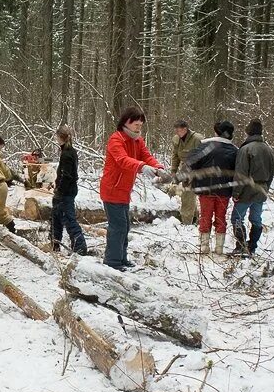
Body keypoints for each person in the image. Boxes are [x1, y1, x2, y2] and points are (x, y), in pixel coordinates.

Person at [100, 107, 166, 271]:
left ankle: (121, 258)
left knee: (125, 226)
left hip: (124, 191)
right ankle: (112, 261)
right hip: (112, 189)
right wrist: (142, 167)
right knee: (118, 226)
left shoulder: (137, 140)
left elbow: (146, 156)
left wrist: (157, 167)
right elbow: (122, 160)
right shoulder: (116, 139)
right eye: (136, 124)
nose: (138, 127)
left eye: (140, 124)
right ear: (126, 122)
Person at [186, 121, 238, 255]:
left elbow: (191, 162)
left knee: (205, 216)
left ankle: (204, 246)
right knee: (221, 218)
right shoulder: (234, 150)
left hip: (205, 189)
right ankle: (219, 248)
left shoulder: (205, 146)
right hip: (225, 190)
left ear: (217, 132)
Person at [231, 119, 274, 256]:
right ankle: (252, 246)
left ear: (248, 132)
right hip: (262, 188)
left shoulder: (245, 149)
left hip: (247, 189)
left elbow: (241, 173)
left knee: (236, 218)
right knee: (256, 219)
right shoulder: (269, 150)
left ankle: (241, 246)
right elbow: (271, 173)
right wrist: (266, 188)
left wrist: (236, 192)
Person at [52, 125, 87, 255]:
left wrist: (60, 190)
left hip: (66, 192)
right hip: (66, 190)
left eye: (57, 137)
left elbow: (67, 175)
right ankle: (55, 245)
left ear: (60, 137)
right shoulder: (68, 151)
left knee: (68, 219)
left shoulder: (67, 153)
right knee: (56, 218)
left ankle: (80, 247)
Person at [170, 120, 204, 225]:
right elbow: (175, 156)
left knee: (188, 194)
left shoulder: (198, 139)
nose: (177, 133)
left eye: (179, 131)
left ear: (185, 129)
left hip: (197, 169)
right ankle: (193, 219)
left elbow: (204, 157)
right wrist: (174, 171)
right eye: (176, 131)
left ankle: (186, 222)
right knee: (187, 194)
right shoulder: (176, 139)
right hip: (184, 168)